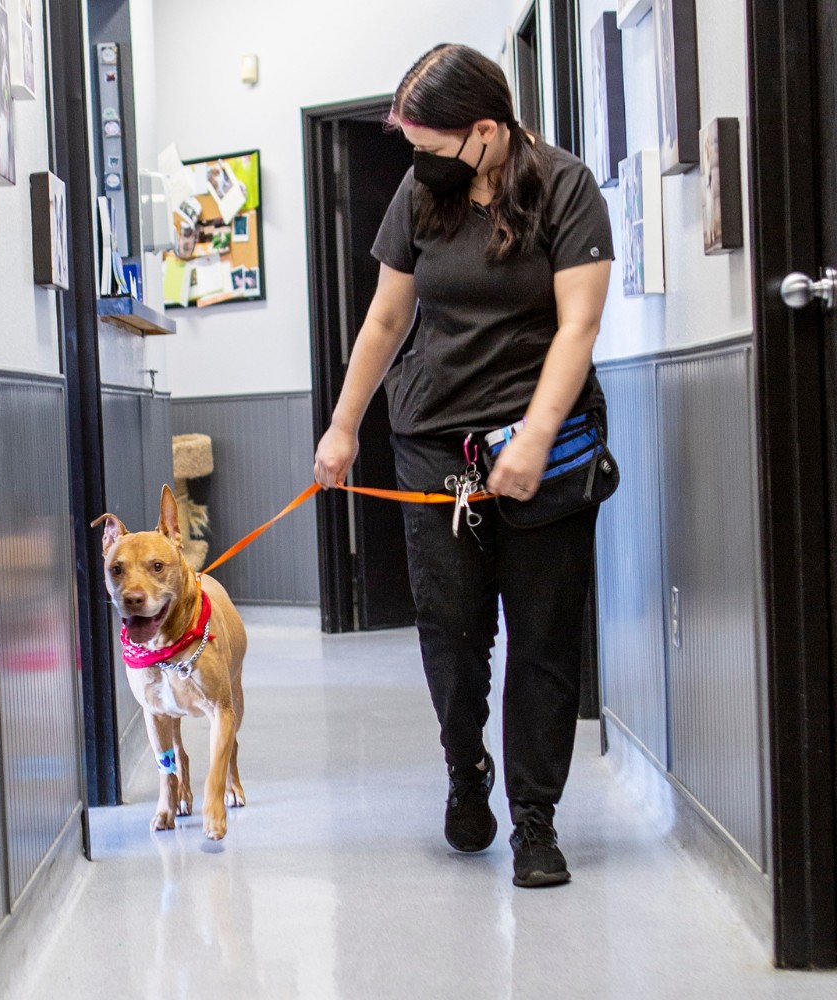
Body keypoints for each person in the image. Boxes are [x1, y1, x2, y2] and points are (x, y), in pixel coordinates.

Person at [313, 43, 613, 888]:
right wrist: (342, 428)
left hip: (543, 440)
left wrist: (535, 440)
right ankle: (464, 770)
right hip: (434, 441)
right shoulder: (421, 193)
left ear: (486, 131)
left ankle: (536, 821)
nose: (418, 164)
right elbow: (384, 321)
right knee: (452, 630)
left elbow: (577, 331)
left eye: (432, 147)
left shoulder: (565, 188)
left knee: (544, 636)